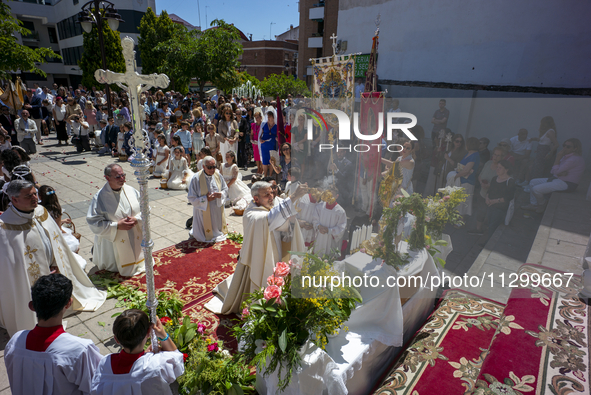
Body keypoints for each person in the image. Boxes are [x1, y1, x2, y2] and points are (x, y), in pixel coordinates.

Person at [0, 179, 106, 336]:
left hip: (52, 266)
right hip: (28, 278)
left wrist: (56, 262)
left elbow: (56, 240)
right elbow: (10, 264)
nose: (35, 198)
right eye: (29, 196)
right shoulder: (5, 226)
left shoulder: (41, 212)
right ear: (14, 199)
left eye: (35, 194)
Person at [205, 181, 308, 314]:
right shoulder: (251, 214)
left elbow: (281, 212)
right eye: (266, 194)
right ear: (256, 199)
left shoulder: (272, 203)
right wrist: (293, 196)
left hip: (276, 248)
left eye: (271, 192)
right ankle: (264, 302)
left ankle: (276, 295)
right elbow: (271, 218)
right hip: (259, 256)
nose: (271, 196)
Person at [4, 274, 104, 394]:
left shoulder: (14, 343)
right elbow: (98, 386)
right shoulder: (79, 350)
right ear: (68, 304)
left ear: (32, 306)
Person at [91, 309, 184, 395]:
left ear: (116, 339)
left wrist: (144, 356)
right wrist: (163, 335)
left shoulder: (105, 364)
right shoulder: (156, 365)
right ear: (148, 333)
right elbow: (177, 360)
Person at [86, 164, 146, 277]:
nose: (122, 178)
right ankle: (116, 266)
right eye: (118, 177)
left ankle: (138, 261)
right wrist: (116, 226)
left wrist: (137, 219)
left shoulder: (131, 191)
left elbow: (145, 208)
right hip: (113, 242)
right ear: (107, 178)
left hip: (134, 235)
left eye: (123, 175)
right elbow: (94, 222)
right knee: (114, 266)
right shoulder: (100, 197)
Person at [522, 138, 585, 213]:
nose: (564, 148)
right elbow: (553, 171)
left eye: (568, 147)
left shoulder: (574, 159)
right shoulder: (567, 156)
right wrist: (559, 172)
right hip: (558, 179)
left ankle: (542, 204)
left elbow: (555, 171)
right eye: (564, 145)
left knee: (536, 189)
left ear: (575, 148)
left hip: (567, 183)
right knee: (533, 182)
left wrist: (558, 158)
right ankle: (533, 204)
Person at [187, 156, 229, 242]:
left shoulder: (218, 175)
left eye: (214, 167)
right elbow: (191, 197)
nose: (212, 169)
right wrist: (205, 199)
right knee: (205, 229)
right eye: (209, 167)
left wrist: (220, 194)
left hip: (216, 208)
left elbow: (225, 189)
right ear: (203, 167)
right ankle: (205, 233)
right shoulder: (196, 178)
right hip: (203, 210)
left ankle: (217, 231)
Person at [470, 147, 505, 235]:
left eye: (498, 155)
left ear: (502, 157)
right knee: (481, 211)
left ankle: (488, 235)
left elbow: (504, 183)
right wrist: (481, 182)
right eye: (494, 154)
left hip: (494, 198)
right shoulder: (488, 163)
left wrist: (490, 185)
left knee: (491, 216)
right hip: (483, 193)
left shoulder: (503, 168)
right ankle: (478, 229)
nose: (495, 157)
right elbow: (480, 175)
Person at [423, 131, 465, 197]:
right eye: (457, 141)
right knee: (440, 187)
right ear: (453, 141)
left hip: (451, 172)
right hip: (443, 169)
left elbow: (460, 165)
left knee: (447, 189)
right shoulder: (449, 148)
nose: (459, 143)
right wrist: (439, 152)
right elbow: (441, 158)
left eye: (461, 141)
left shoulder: (462, 152)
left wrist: (449, 159)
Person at [447, 137, 480, 217]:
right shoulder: (469, 153)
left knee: (463, 202)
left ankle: (461, 221)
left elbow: (466, 170)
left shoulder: (474, 156)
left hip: (467, 181)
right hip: (461, 180)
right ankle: (456, 218)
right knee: (458, 201)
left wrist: (455, 176)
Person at [482, 160, 516, 239]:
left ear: (506, 170)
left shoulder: (510, 181)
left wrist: (495, 201)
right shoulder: (494, 178)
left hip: (500, 209)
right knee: (489, 225)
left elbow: (509, 197)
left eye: (500, 168)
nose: (497, 169)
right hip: (490, 206)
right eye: (497, 167)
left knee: (492, 227)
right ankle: (487, 242)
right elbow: (489, 191)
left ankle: (489, 245)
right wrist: (487, 198)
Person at [312, 186, 347, 258]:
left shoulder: (340, 211)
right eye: (328, 194)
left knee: (329, 259)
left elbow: (341, 228)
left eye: (332, 195)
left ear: (337, 196)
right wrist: (318, 226)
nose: (329, 197)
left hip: (331, 239)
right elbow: (315, 219)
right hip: (320, 238)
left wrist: (329, 230)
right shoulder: (319, 207)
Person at [528, 116, 559, 181]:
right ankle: (531, 183)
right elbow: (543, 141)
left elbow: (556, 144)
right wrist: (533, 139)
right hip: (540, 153)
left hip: (544, 153)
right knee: (535, 167)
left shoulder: (550, 132)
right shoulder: (547, 131)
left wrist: (549, 153)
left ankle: (534, 183)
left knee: (538, 169)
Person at [260, 111, 277, 177]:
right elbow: (260, 135)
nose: (268, 118)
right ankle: (265, 176)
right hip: (264, 145)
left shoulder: (276, 125)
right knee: (265, 161)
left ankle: (270, 176)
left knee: (271, 160)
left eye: (269, 116)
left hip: (272, 144)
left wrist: (277, 138)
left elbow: (278, 135)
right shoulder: (264, 124)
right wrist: (260, 139)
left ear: (273, 117)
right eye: (268, 116)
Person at [251, 108, 264, 175]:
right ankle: (258, 168)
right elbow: (251, 134)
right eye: (256, 118)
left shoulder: (263, 124)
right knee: (256, 157)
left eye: (258, 117)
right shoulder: (253, 125)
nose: (257, 119)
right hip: (255, 143)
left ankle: (262, 169)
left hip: (261, 143)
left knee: (261, 156)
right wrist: (251, 140)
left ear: (261, 117)